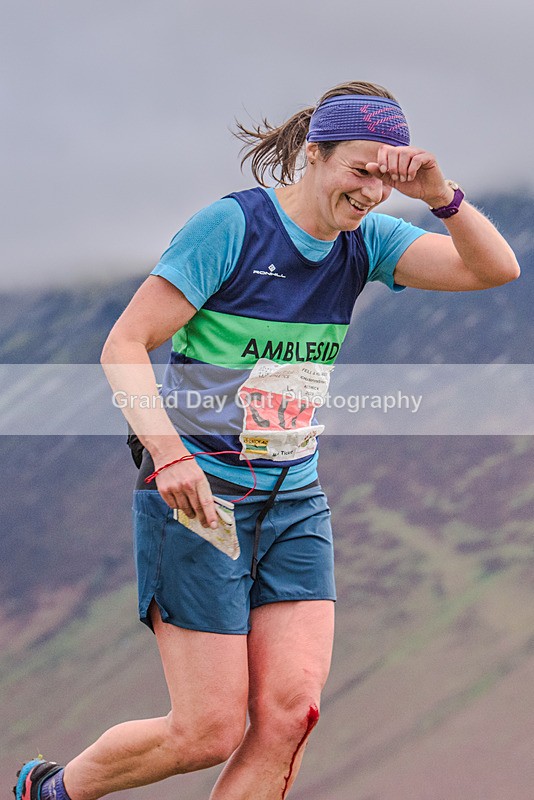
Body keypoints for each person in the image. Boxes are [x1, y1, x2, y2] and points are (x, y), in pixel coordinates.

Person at [15, 80, 519, 800]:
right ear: (314, 155)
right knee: (207, 733)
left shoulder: (368, 241)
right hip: (198, 498)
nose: (373, 192)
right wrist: (171, 456)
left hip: (294, 500)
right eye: (360, 170)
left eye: (388, 175)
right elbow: (123, 343)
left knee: (292, 715)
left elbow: (493, 269)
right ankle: (51, 792)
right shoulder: (232, 229)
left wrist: (443, 197)